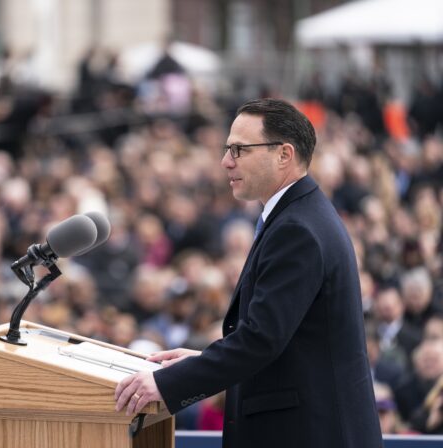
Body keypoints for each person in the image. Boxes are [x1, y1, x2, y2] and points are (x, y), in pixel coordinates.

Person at [115, 98, 383, 447]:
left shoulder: (297, 228)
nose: (226, 162)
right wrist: (202, 360)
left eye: (240, 150)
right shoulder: (300, 215)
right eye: (228, 149)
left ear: (284, 154)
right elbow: (285, 338)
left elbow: (261, 338)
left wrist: (169, 384)